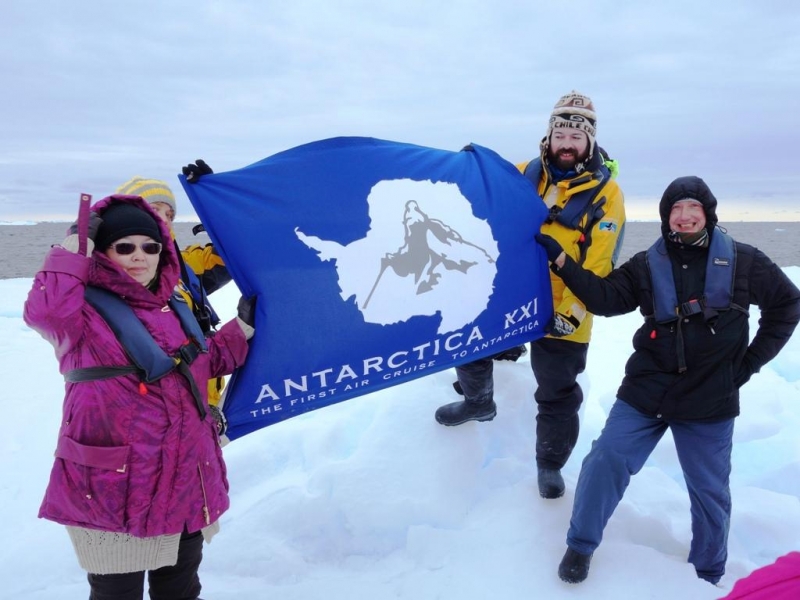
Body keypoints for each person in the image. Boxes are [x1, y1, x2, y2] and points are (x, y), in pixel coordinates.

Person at [534, 176, 800, 585]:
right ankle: (580, 544)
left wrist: (747, 365)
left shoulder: (745, 261)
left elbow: (787, 304)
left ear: (707, 214)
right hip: (648, 389)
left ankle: (708, 573)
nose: (684, 216)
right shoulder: (646, 264)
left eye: (693, 208)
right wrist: (564, 263)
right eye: (676, 209)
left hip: (711, 398)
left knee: (710, 493)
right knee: (605, 458)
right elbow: (606, 299)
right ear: (665, 217)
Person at [23, 194, 255, 600]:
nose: (139, 256)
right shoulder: (80, 314)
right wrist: (74, 245)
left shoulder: (175, 303)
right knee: (117, 593)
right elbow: (47, 313)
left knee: (180, 590)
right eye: (124, 246)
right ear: (103, 252)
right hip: (117, 487)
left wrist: (242, 327)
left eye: (150, 247)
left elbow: (204, 362)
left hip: (186, 477)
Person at [434, 91, 626, 501]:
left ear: (589, 142)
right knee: (466, 338)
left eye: (577, 136)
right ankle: (478, 401)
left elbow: (599, 264)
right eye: (561, 133)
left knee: (556, 390)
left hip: (565, 302)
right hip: (512, 293)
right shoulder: (523, 173)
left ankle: (549, 463)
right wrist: (469, 167)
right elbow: (479, 196)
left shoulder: (607, 194)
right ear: (549, 135)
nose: (567, 143)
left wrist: (572, 313)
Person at [116, 165, 232, 431]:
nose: (165, 218)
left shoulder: (184, 264)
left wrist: (211, 199)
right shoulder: (118, 274)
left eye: (170, 213)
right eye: (156, 209)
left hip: (203, 397)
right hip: (159, 412)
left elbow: (230, 254)